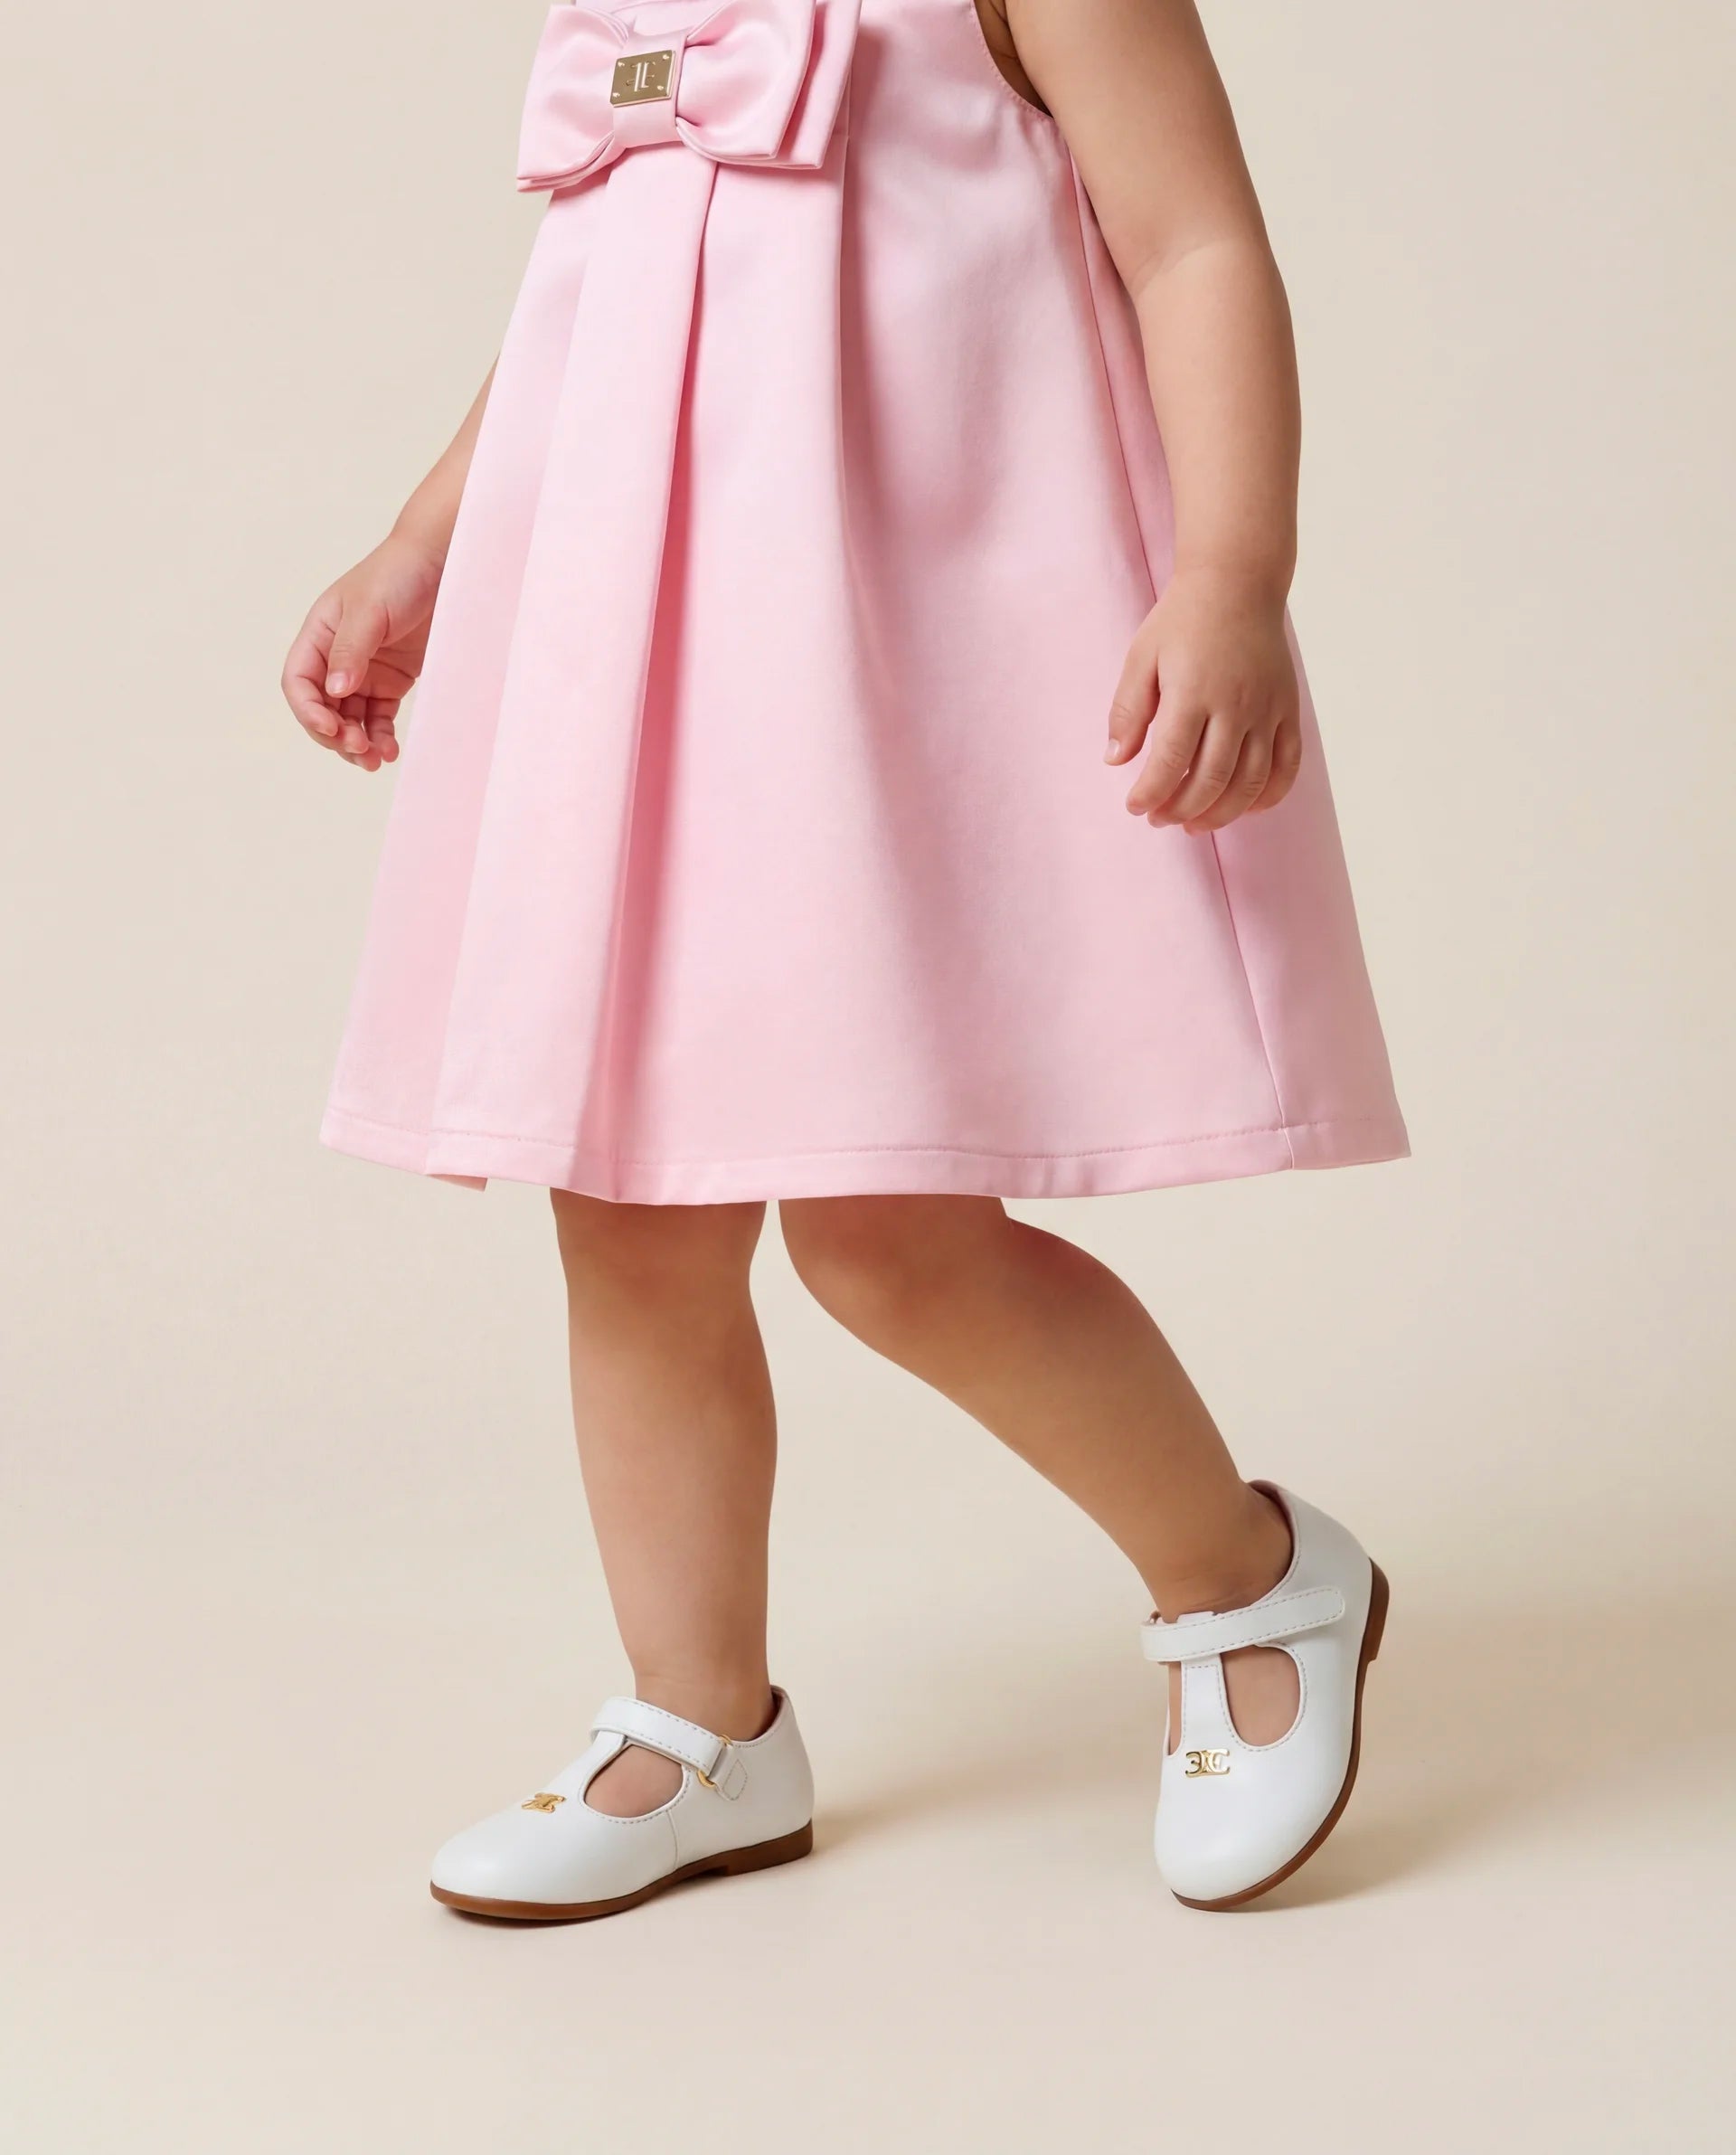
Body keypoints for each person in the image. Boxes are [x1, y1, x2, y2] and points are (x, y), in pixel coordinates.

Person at [282, 0, 1407, 1921]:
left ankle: (1247, 1578)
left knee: (889, 1231)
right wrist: (422, 538)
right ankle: (701, 1723)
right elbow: (604, 292)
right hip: (649, 660)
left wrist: (1233, 571)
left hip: (883, 658)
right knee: (624, 1209)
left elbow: (1197, 238)